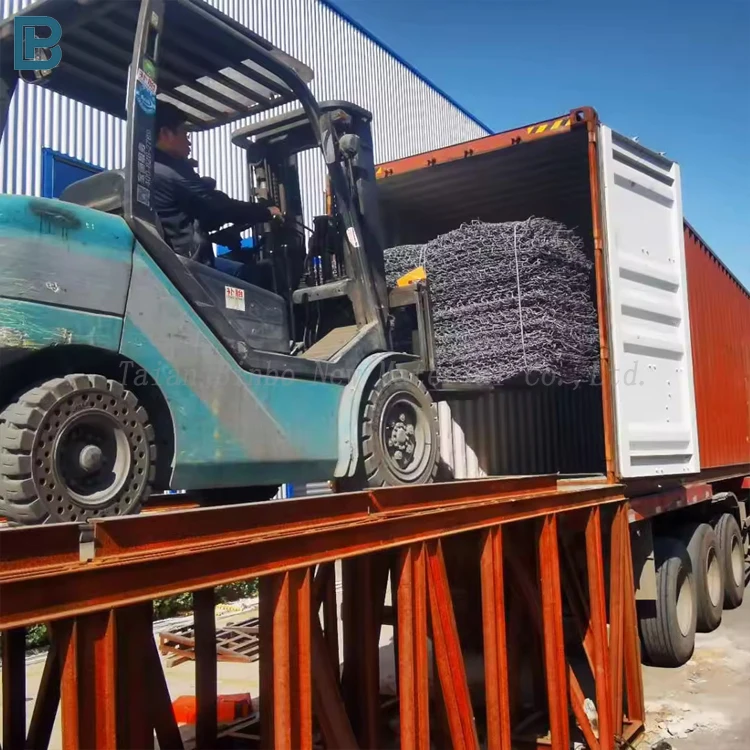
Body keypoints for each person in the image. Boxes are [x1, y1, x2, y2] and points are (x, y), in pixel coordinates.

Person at [152, 101, 281, 285]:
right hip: (188, 269)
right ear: (166, 133)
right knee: (260, 274)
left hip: (170, 262)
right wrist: (266, 211)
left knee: (234, 267)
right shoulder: (173, 173)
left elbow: (200, 215)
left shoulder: (146, 171)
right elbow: (220, 208)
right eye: (184, 134)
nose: (189, 142)